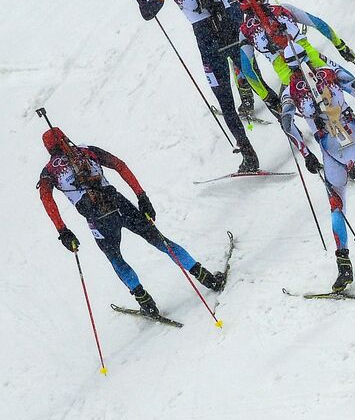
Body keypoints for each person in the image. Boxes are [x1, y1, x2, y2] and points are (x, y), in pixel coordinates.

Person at [37, 128, 225, 317]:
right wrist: (141, 196)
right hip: (120, 204)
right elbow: (120, 165)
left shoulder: (48, 172)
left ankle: (145, 301)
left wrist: (63, 231)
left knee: (116, 259)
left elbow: (46, 199)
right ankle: (204, 276)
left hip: (97, 219)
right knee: (160, 241)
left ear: (48, 148)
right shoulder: (86, 150)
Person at [276, 64, 355, 292]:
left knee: (337, 206)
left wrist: (306, 154)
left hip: (331, 151)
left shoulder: (289, 91)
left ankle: (344, 264)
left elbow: (286, 123)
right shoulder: (328, 71)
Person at [135, 0, 260, 173]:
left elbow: (149, 13)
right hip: (231, 28)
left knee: (226, 102)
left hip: (207, 40)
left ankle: (249, 156)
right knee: (253, 76)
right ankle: (286, 116)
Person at [235, 0, 355, 103]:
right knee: (351, 82)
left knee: (305, 112)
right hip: (312, 59)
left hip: (289, 76)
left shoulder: (245, 32)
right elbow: (318, 23)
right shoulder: (283, 8)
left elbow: (247, 70)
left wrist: (266, 96)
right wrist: (341, 46)